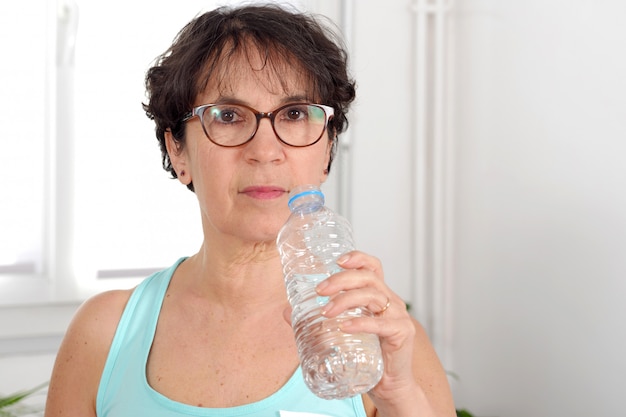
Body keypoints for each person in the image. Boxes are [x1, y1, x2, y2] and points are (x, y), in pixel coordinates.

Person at [44, 4, 456, 417]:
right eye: (227, 116)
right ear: (177, 149)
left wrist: (401, 397)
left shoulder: (381, 339)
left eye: (294, 114)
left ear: (328, 149)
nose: (265, 151)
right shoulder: (103, 334)